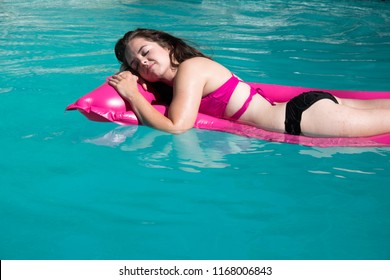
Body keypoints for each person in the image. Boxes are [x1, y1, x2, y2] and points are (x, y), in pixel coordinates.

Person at [108, 28, 390, 137]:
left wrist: (132, 93)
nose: (143, 63)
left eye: (146, 52)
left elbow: (177, 127)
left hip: (299, 119)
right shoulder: (183, 80)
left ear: (167, 45)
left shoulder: (190, 70)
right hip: (303, 108)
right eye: (135, 65)